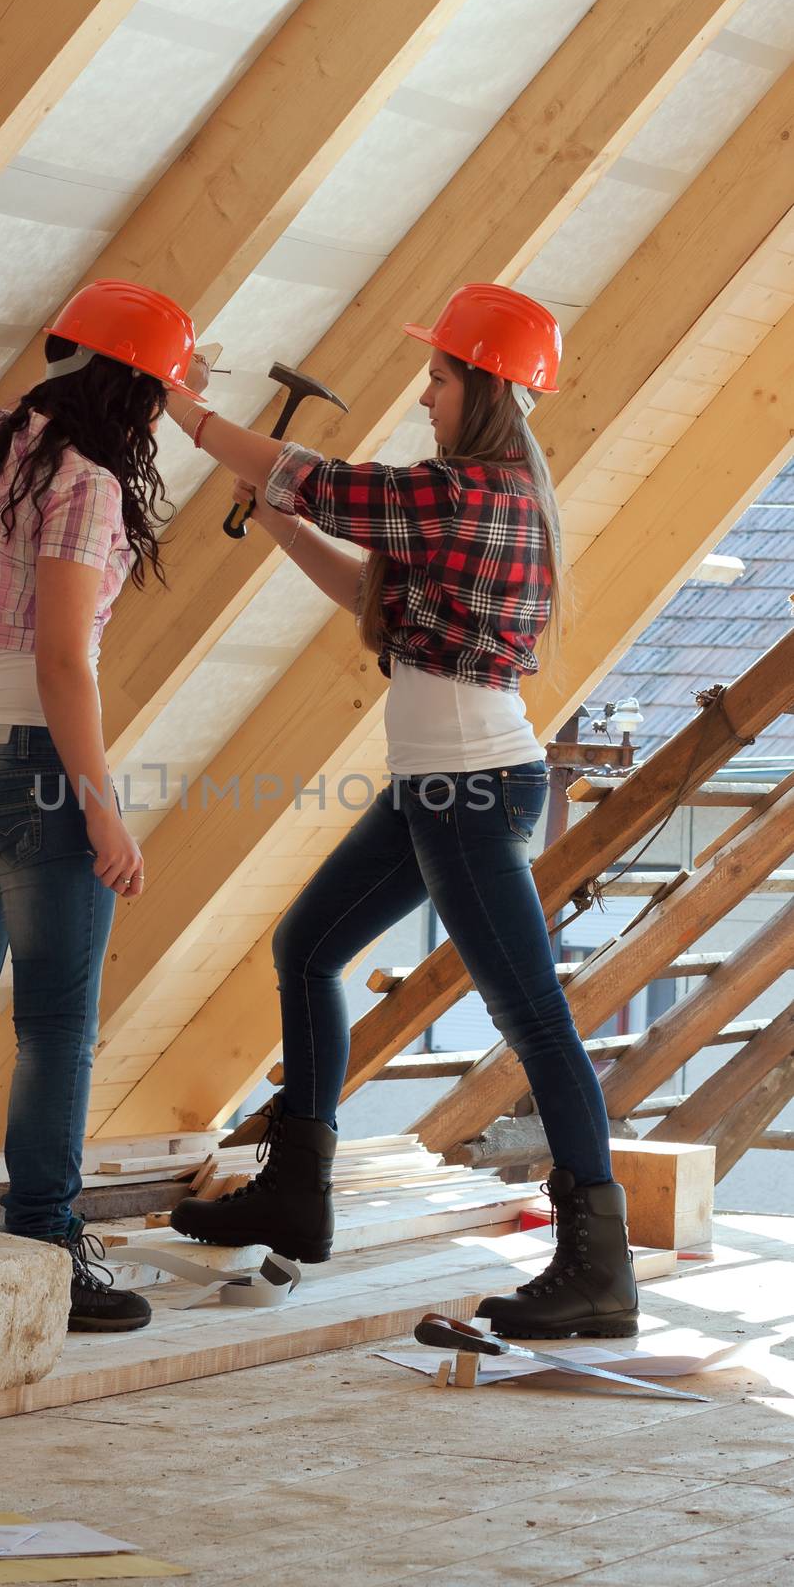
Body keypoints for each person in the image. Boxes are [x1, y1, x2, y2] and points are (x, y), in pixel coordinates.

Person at [165, 284, 638, 1341]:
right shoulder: (470, 498)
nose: (421, 393)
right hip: (441, 786)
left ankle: (595, 1270)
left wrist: (184, 412)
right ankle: (298, 1187)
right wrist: (279, 522)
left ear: (480, 387)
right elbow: (364, 592)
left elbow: (316, 479)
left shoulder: (473, 493)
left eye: (436, 376)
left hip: (468, 790)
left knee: (535, 1024)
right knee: (305, 947)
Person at [0, 280, 207, 1333]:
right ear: (137, 394)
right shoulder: (87, 483)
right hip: (35, 769)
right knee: (56, 1024)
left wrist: (49, 377)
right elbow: (62, 660)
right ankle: (47, 1245)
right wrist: (101, 810)